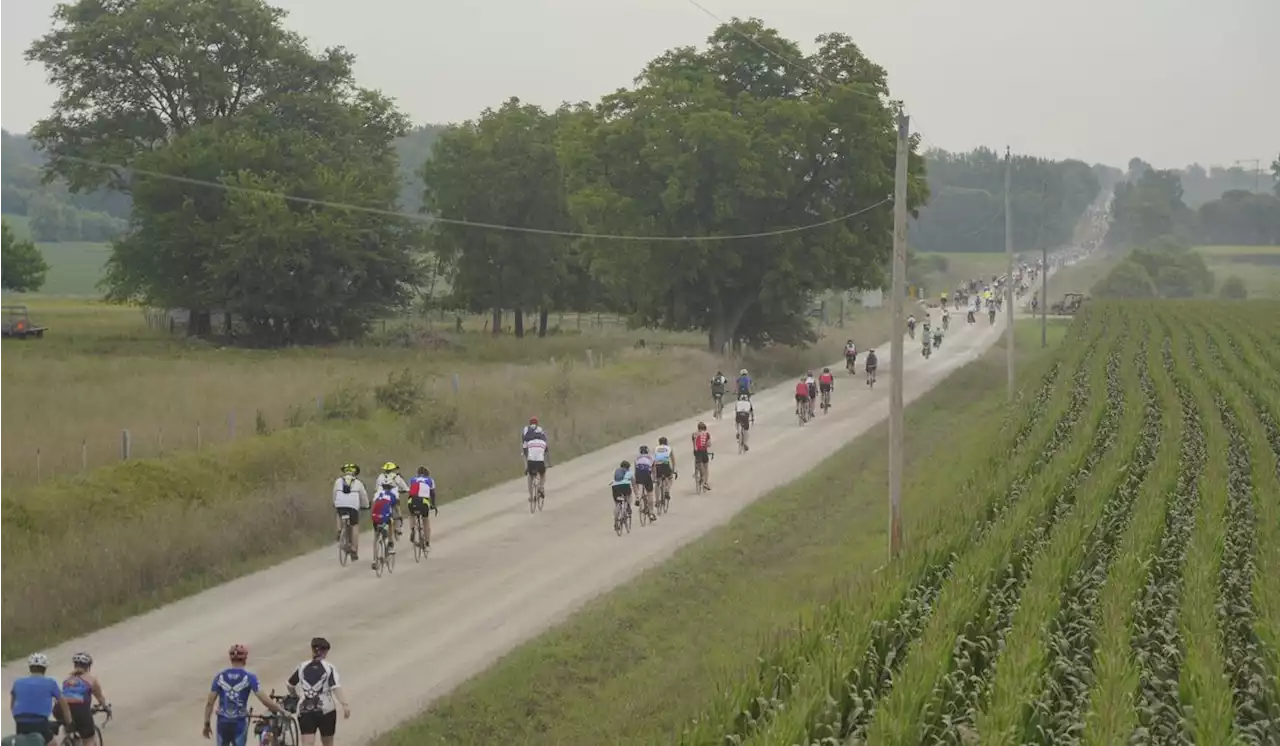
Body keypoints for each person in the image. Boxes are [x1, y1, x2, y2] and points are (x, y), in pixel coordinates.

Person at [204, 644, 289, 746]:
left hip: (223, 722)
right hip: (239, 722)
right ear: (245, 658)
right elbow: (264, 699)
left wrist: (207, 724)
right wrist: (281, 710)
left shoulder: (220, 676)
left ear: (230, 659)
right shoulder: (249, 677)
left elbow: (210, 702)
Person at [287, 638, 350, 746]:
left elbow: (290, 685)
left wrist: (295, 696)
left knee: (307, 743)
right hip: (327, 710)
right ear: (325, 652)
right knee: (328, 742)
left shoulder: (302, 667)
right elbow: (335, 687)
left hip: (305, 710)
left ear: (312, 650)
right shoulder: (329, 668)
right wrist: (345, 704)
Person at [10, 653, 71, 745]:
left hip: (20, 721)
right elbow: (63, 703)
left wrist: (18, 716)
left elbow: (12, 704)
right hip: (39, 721)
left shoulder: (17, 682)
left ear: (30, 668)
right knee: (52, 743)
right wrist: (69, 721)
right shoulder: (50, 683)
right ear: (45, 669)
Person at [58, 653, 110, 746]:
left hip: (59, 709)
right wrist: (105, 707)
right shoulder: (91, 679)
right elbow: (100, 698)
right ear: (88, 666)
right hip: (80, 709)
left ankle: (69, 738)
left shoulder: (68, 679)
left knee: (70, 727)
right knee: (88, 739)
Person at [332, 463, 367, 561]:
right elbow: (363, 496)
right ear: (355, 472)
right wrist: (366, 505)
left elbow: (334, 493)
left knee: (339, 513)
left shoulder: (338, 481)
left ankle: (339, 531)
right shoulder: (358, 483)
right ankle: (354, 549)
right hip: (353, 506)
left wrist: (335, 503)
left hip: (340, 504)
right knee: (354, 526)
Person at [375, 463, 408, 536]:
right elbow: (405, 488)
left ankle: (382, 525)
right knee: (397, 511)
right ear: (393, 469)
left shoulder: (380, 477)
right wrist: (403, 491)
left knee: (381, 511)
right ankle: (398, 527)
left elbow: (376, 488)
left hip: (381, 497)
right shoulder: (396, 477)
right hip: (392, 498)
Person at [369, 484, 398, 567]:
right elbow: (395, 509)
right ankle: (390, 543)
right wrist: (399, 517)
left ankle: (374, 560)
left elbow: (374, 504)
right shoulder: (392, 495)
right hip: (385, 518)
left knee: (376, 537)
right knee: (391, 522)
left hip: (375, 516)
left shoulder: (378, 494)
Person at [407, 466, 437, 548]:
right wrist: (433, 504)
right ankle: (427, 541)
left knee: (411, 514)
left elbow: (410, 492)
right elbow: (432, 494)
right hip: (423, 502)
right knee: (425, 520)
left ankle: (412, 529)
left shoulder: (412, 479)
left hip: (412, 501)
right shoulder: (430, 480)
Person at [522, 422, 549, 501]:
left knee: (530, 476)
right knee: (543, 474)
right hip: (540, 462)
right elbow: (546, 455)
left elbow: (526, 453)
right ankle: (541, 487)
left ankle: (530, 496)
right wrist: (548, 464)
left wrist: (526, 467)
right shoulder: (543, 443)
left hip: (531, 462)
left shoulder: (529, 442)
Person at [633, 446, 656, 518]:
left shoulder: (636, 458)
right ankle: (651, 513)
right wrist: (654, 478)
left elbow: (635, 469)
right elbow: (653, 469)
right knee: (650, 493)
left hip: (638, 473)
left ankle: (637, 497)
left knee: (637, 483)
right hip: (646, 474)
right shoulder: (651, 458)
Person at [691, 422, 712, 489]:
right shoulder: (707, 434)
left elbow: (694, 444)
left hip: (697, 452)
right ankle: (705, 482)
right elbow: (709, 444)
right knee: (706, 467)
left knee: (698, 463)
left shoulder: (694, 434)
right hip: (704, 451)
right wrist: (705, 445)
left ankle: (697, 472)